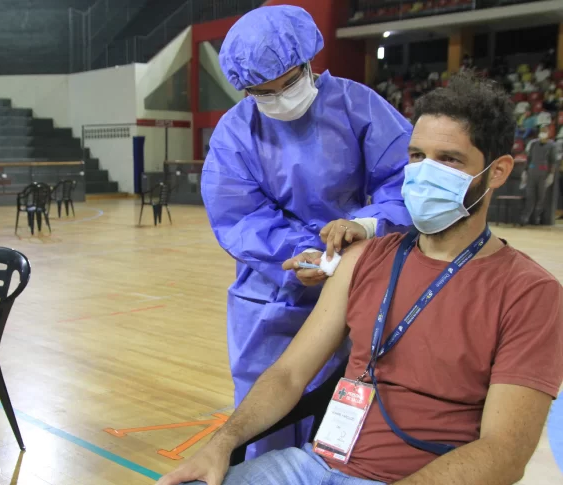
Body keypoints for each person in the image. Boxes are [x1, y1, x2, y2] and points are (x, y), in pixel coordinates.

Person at [159, 75, 563, 485]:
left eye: (450, 160)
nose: (425, 174)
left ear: (497, 172)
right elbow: (288, 374)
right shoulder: (364, 258)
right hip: (316, 466)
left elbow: (504, 453)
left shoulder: (531, 294)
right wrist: (221, 442)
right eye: (417, 156)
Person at [202, 5, 412, 458]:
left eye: (290, 82)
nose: (282, 97)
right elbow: (239, 214)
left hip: (359, 284)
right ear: (245, 89)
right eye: (264, 91)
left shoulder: (358, 107)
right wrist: (298, 255)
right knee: (266, 422)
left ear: (308, 62)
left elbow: (403, 180)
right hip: (272, 295)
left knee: (346, 424)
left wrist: (364, 224)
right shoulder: (236, 133)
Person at [521, 126, 557, 225]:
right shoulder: (533, 144)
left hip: (543, 174)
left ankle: (536, 218)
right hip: (532, 172)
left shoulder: (552, 145)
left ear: (548, 133)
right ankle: (525, 217)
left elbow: (553, 161)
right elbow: (528, 158)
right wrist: (525, 171)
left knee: (541, 197)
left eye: (545, 132)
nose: (543, 133)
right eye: (541, 132)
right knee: (530, 196)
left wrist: (551, 174)